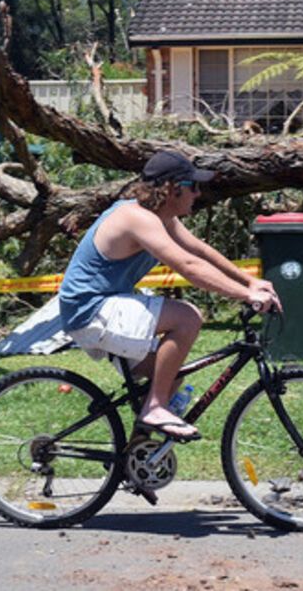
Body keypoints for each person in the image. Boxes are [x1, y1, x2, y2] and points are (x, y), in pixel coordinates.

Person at [59, 149, 281, 441]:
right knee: (187, 317)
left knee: (172, 371)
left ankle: (138, 454)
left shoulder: (161, 217)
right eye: (193, 186)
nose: (198, 194)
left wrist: (250, 282)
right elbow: (188, 267)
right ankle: (155, 407)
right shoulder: (136, 218)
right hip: (90, 310)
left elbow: (199, 251)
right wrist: (244, 295)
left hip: (102, 308)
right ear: (172, 188)